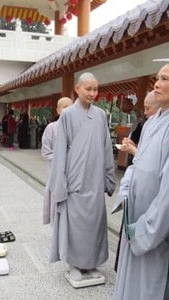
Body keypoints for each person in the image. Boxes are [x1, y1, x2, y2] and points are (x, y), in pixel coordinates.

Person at [112, 62, 169, 299]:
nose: (157, 84)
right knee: (133, 286)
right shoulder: (151, 122)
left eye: (165, 79)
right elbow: (139, 165)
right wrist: (126, 194)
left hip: (155, 229)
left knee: (154, 287)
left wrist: (146, 230)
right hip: (137, 217)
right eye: (157, 78)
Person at [49, 72, 116, 288]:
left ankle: (92, 262)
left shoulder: (100, 116)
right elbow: (59, 153)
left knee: (94, 222)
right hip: (74, 179)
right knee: (75, 224)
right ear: (77, 89)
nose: (92, 93)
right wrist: (60, 184)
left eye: (95, 89)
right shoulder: (67, 115)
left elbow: (106, 148)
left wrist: (109, 176)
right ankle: (74, 264)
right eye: (88, 89)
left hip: (95, 179)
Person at [114, 90, 160, 272]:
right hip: (135, 184)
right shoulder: (148, 125)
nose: (145, 112)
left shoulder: (167, 128)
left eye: (148, 108)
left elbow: (154, 163)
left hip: (149, 193)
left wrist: (134, 151)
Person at [41, 97, 73, 225]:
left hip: (73, 173)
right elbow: (46, 152)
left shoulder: (79, 127)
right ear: (58, 110)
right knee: (56, 200)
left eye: (71, 107)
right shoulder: (51, 128)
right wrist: (62, 159)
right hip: (56, 172)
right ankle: (56, 228)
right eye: (65, 107)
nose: (68, 110)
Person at [119, 90, 160, 159]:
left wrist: (133, 150)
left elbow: (151, 159)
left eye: (148, 109)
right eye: (144, 109)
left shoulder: (163, 128)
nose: (145, 113)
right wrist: (133, 145)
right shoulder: (147, 124)